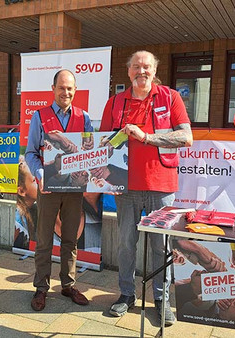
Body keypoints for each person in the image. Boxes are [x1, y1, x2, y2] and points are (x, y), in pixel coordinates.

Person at [100, 51, 193, 324]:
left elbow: (186, 137)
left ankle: (162, 300)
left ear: (154, 70)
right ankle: (126, 295)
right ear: (128, 71)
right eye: (136, 67)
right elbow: (103, 142)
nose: (142, 71)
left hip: (161, 186)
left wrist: (147, 137)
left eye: (147, 67)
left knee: (161, 247)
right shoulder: (115, 103)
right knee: (126, 245)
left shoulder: (170, 97)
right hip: (125, 186)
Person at [25, 69, 93, 311]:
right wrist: (40, 173)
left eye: (70, 88)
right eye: (62, 87)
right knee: (43, 240)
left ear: (75, 91)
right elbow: (31, 153)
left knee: (70, 239)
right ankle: (41, 288)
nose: (66, 92)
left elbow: (89, 153)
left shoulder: (84, 117)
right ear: (53, 89)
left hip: (74, 190)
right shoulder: (39, 116)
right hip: (49, 189)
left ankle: (68, 284)